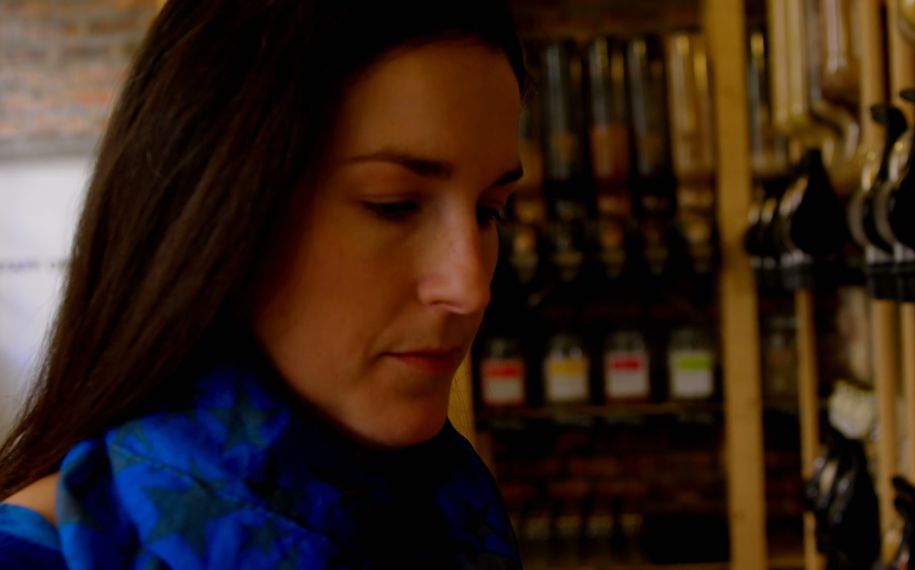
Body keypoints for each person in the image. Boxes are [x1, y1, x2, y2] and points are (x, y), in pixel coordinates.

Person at [0, 0, 527, 567]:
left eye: (488, 211)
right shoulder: (42, 554)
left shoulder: (448, 503)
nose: (470, 288)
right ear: (219, 211)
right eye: (393, 206)